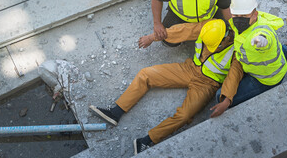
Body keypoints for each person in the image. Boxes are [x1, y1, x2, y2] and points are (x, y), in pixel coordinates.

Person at [89, 19, 244, 155]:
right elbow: (181, 30)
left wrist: (226, 100)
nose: (207, 49)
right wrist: (152, 37)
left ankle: (146, 141)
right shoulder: (209, 27)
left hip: (207, 84)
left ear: (226, 38)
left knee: (184, 115)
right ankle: (115, 112)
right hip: (189, 69)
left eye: (212, 47)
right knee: (146, 74)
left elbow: (234, 75)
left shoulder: (237, 49)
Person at [215, 0, 287, 106]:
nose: (239, 19)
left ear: (255, 14)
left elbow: (265, 35)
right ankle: (286, 49)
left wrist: (262, 41)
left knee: (219, 96)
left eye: (244, 15)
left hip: (265, 78)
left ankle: (285, 51)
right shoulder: (241, 22)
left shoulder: (261, 31)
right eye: (236, 15)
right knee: (273, 52)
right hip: (261, 61)